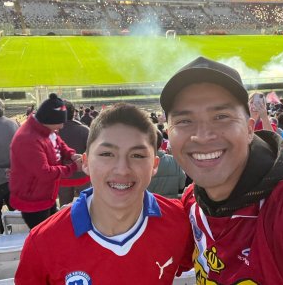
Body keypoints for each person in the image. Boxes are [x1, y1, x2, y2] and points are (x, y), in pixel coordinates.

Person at [160, 56, 283, 284]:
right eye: (184, 121)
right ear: (169, 133)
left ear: (249, 130)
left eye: (221, 117)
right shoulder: (192, 203)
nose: (203, 136)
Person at [15, 103, 193, 284]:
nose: (122, 170)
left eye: (137, 155)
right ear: (85, 162)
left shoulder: (181, 222)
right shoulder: (42, 242)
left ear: (154, 165)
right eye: (107, 154)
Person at [10, 93, 83, 229]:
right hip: (33, 201)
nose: (61, 126)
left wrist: (71, 154)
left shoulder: (46, 129)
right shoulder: (27, 139)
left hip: (46, 196)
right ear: (48, 120)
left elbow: (59, 144)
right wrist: (73, 167)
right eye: (59, 123)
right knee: (43, 237)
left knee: (52, 231)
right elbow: (44, 173)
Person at [0, 97, 19, 232]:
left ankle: (1, 247)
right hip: (12, 180)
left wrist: (3, 172)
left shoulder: (12, 124)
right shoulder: (13, 124)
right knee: (17, 217)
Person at [58, 100, 91, 206]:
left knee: (63, 209)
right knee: (86, 206)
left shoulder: (51, 133)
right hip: (82, 176)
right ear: (74, 113)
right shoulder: (85, 130)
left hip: (62, 177)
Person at [147, 130, 186, 198]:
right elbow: (182, 185)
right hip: (170, 205)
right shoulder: (174, 160)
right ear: (161, 142)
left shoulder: (140, 162)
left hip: (148, 206)